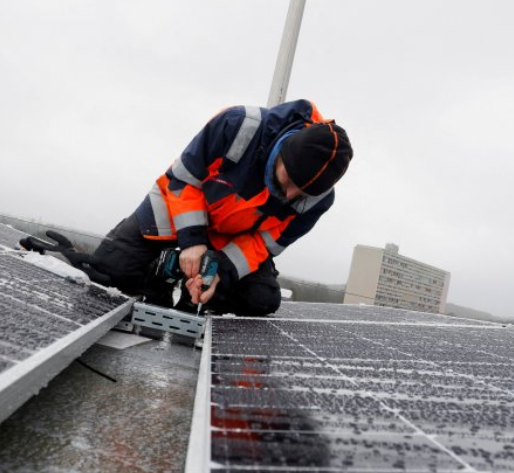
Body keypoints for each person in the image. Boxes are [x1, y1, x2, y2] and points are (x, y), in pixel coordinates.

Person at [30, 99, 353, 317]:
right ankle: (157, 269)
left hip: (231, 238)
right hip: (173, 213)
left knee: (261, 300)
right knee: (111, 276)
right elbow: (182, 181)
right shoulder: (240, 126)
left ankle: (192, 292)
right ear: (281, 153)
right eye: (290, 180)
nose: (292, 193)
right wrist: (192, 241)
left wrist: (219, 274)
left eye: (304, 191)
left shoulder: (317, 200)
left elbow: (262, 244)